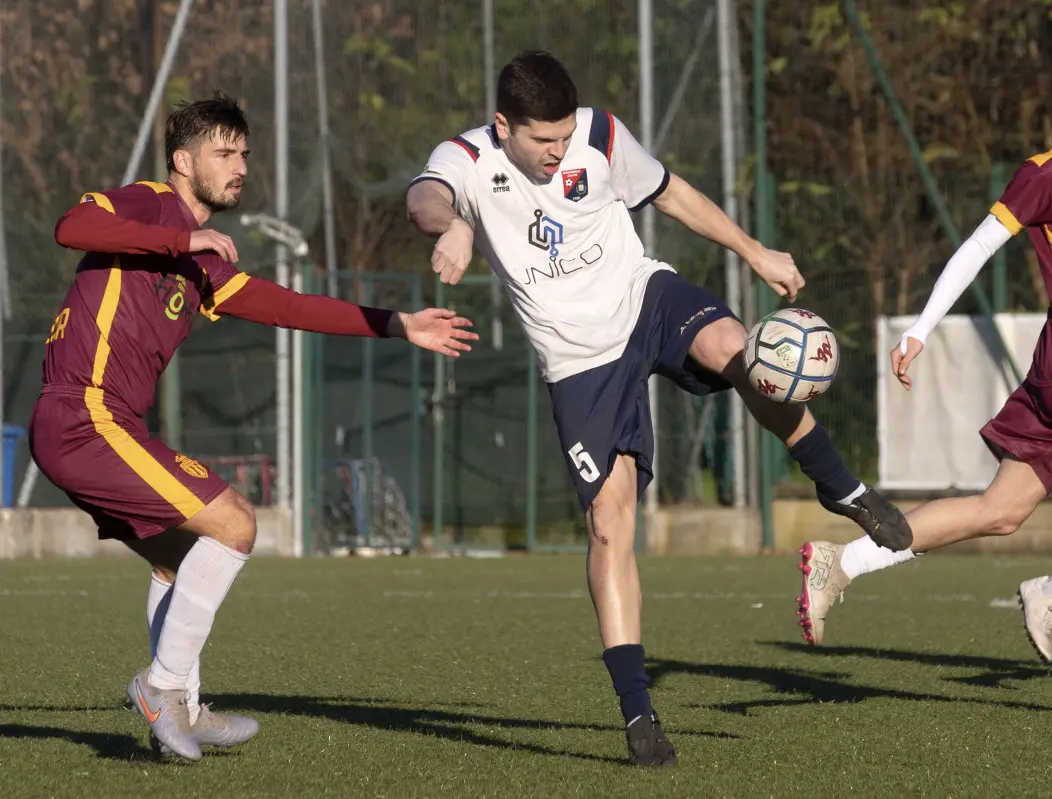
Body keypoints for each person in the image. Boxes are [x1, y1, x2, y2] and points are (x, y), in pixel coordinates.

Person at [405, 50, 910, 768]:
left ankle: (841, 486)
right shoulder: (465, 158)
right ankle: (639, 715)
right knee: (610, 524)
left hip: (645, 297)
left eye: (563, 137)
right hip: (579, 361)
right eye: (542, 141)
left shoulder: (601, 134)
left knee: (744, 352)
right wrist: (454, 225)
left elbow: (673, 194)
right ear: (502, 125)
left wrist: (755, 250)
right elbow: (423, 196)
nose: (557, 152)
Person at [30, 93, 478, 761]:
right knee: (235, 522)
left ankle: (180, 705)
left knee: (180, 559)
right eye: (224, 152)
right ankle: (162, 688)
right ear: (184, 161)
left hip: (102, 422)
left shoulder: (206, 263)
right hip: (81, 413)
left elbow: (285, 304)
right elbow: (71, 226)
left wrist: (396, 323)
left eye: (244, 152)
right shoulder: (150, 205)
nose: (240, 165)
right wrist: (182, 237)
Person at [798, 152, 1052, 660]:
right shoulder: (1045, 172)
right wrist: (920, 328)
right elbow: (980, 245)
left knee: (1000, 510)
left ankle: (843, 562)